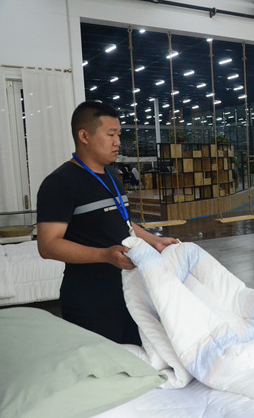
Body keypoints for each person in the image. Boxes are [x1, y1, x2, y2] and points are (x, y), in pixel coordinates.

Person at [37, 101, 179, 345]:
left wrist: (155, 241)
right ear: (84, 136)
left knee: (138, 357)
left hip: (129, 292)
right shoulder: (60, 183)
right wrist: (104, 255)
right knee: (103, 364)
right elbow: (48, 246)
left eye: (119, 135)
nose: (118, 142)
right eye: (111, 134)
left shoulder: (113, 175)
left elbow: (123, 222)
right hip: (90, 300)